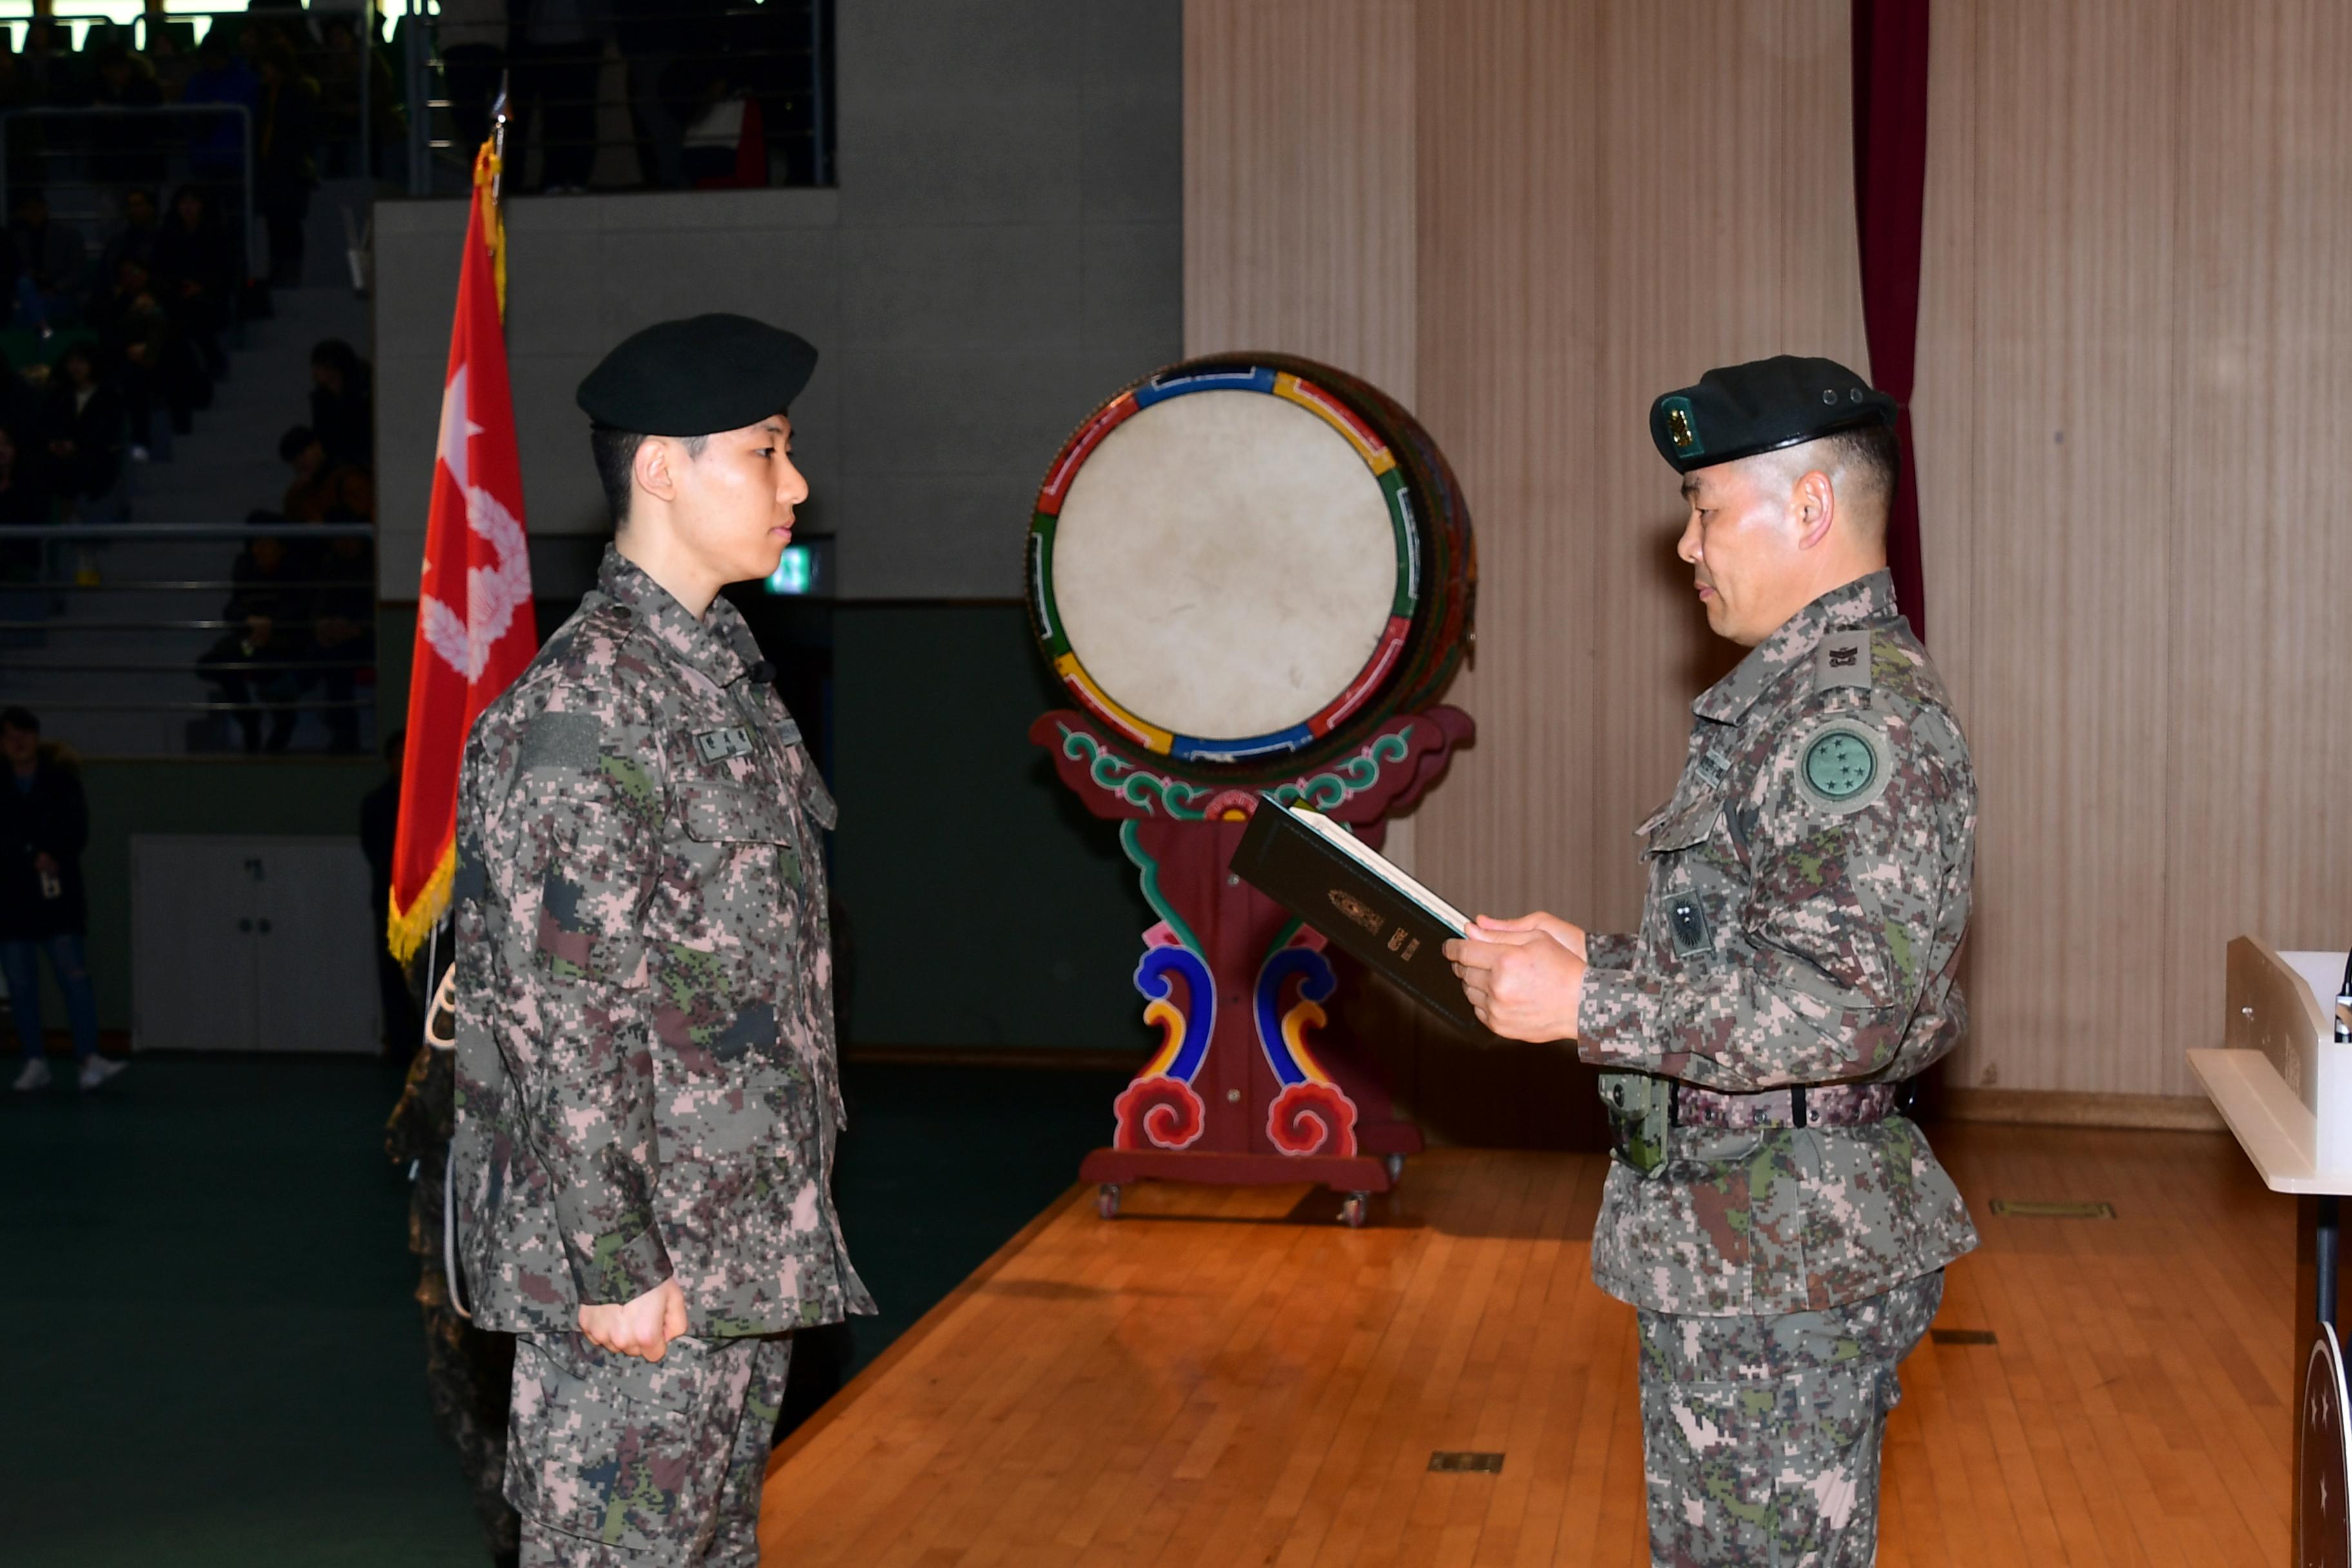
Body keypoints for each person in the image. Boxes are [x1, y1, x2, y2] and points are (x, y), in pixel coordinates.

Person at [1445, 356, 1978, 1567]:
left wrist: (1591, 999)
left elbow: (1845, 1003)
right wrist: (1604, 956)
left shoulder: (1854, 722)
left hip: (1783, 1250)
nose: (1685, 545)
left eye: (1702, 507)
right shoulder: (1791, 699)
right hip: (1746, 1238)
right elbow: (1767, 953)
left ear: (1807, 509)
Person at [449, 313, 871, 1566]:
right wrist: (619, 1260)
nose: (794, 485)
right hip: (641, 1277)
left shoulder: (714, 678)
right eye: (765, 450)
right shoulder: (582, 715)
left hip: (733, 1249)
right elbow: (558, 1019)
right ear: (662, 469)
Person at [1, 707, 120, 1093]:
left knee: (75, 975)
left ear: (36, 738)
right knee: (20, 985)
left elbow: (77, 828)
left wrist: (53, 852)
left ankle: (89, 1058)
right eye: (9, 736)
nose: (18, 742)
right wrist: (29, 853)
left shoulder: (62, 781)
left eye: (24, 733)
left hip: (58, 897)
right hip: (11, 899)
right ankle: (36, 1061)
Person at [308, 338, 373, 468]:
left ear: (334, 368)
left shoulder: (366, 395)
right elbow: (323, 435)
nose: (314, 372)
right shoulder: (321, 400)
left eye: (318, 366)